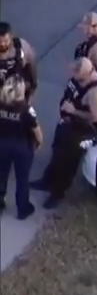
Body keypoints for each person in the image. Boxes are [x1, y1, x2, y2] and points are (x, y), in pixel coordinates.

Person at [31, 58, 97, 209]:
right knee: (57, 153)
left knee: (67, 163)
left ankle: (57, 193)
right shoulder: (79, 75)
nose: (73, 78)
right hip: (66, 124)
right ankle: (47, 180)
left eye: (76, 76)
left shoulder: (96, 91)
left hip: (79, 131)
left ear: (85, 74)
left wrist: (74, 111)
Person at [0, 77, 42, 220]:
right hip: (22, 148)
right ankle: (23, 209)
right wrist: (38, 144)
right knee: (22, 179)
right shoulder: (27, 110)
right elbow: (37, 132)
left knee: (1, 175)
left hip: (2, 144)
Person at [0, 21, 39, 102]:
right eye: (0, 42)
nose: (3, 44)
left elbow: (32, 63)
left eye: (6, 41)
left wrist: (32, 86)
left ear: (11, 37)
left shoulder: (21, 47)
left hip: (18, 97)